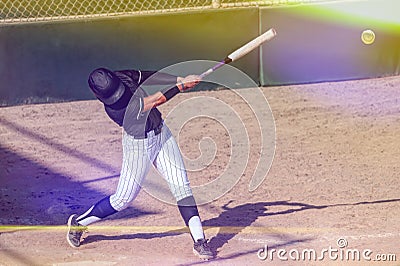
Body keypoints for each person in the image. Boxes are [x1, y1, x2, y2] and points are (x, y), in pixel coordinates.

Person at [66, 66, 214, 260]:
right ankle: (79, 222)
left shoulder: (122, 77)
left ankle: (199, 241)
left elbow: (151, 77)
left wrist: (180, 78)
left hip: (162, 134)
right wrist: (180, 86)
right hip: (139, 146)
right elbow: (156, 100)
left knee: (182, 187)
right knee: (123, 199)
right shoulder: (117, 110)